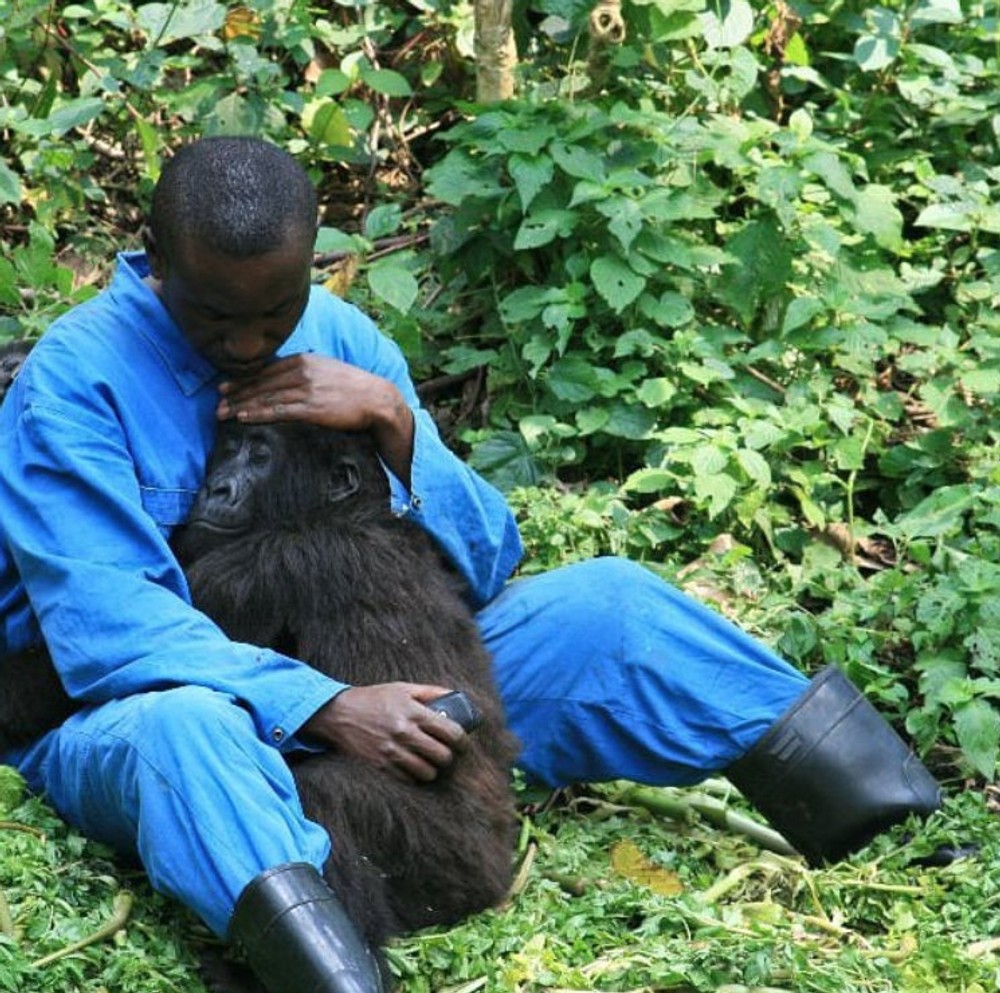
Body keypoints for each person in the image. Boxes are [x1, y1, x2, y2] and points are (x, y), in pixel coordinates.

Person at [0, 137, 941, 993]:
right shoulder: (75, 383)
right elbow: (114, 640)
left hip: (378, 689)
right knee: (187, 730)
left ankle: (901, 825)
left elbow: (489, 563)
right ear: (156, 264)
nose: (250, 344)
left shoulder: (343, 338)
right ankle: (333, 969)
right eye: (214, 318)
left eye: (275, 313)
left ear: (314, 263)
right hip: (140, 713)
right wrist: (330, 707)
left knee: (608, 607)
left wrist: (396, 428)